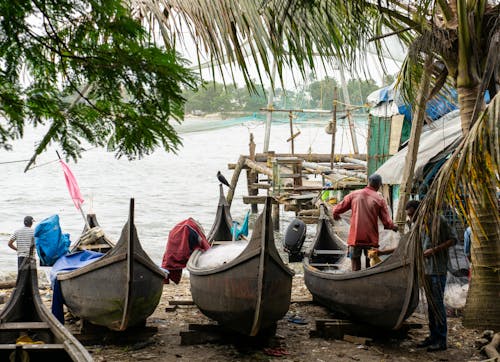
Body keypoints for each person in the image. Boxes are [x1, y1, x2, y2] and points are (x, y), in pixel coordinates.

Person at [404, 200, 458, 352]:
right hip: (426, 270)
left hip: (437, 270)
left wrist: (434, 250)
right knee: (431, 305)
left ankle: (441, 340)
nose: (410, 218)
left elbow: (453, 239)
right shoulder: (418, 225)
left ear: (419, 211)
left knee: (438, 305)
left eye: (411, 214)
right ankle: (433, 336)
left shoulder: (439, 221)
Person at [332, 174, 398, 271]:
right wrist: (394, 227)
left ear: (368, 182)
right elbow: (387, 223)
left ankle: (355, 282)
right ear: (379, 185)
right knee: (370, 266)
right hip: (371, 239)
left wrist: (336, 216)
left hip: (355, 238)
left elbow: (336, 210)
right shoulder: (379, 199)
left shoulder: (353, 195)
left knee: (355, 266)